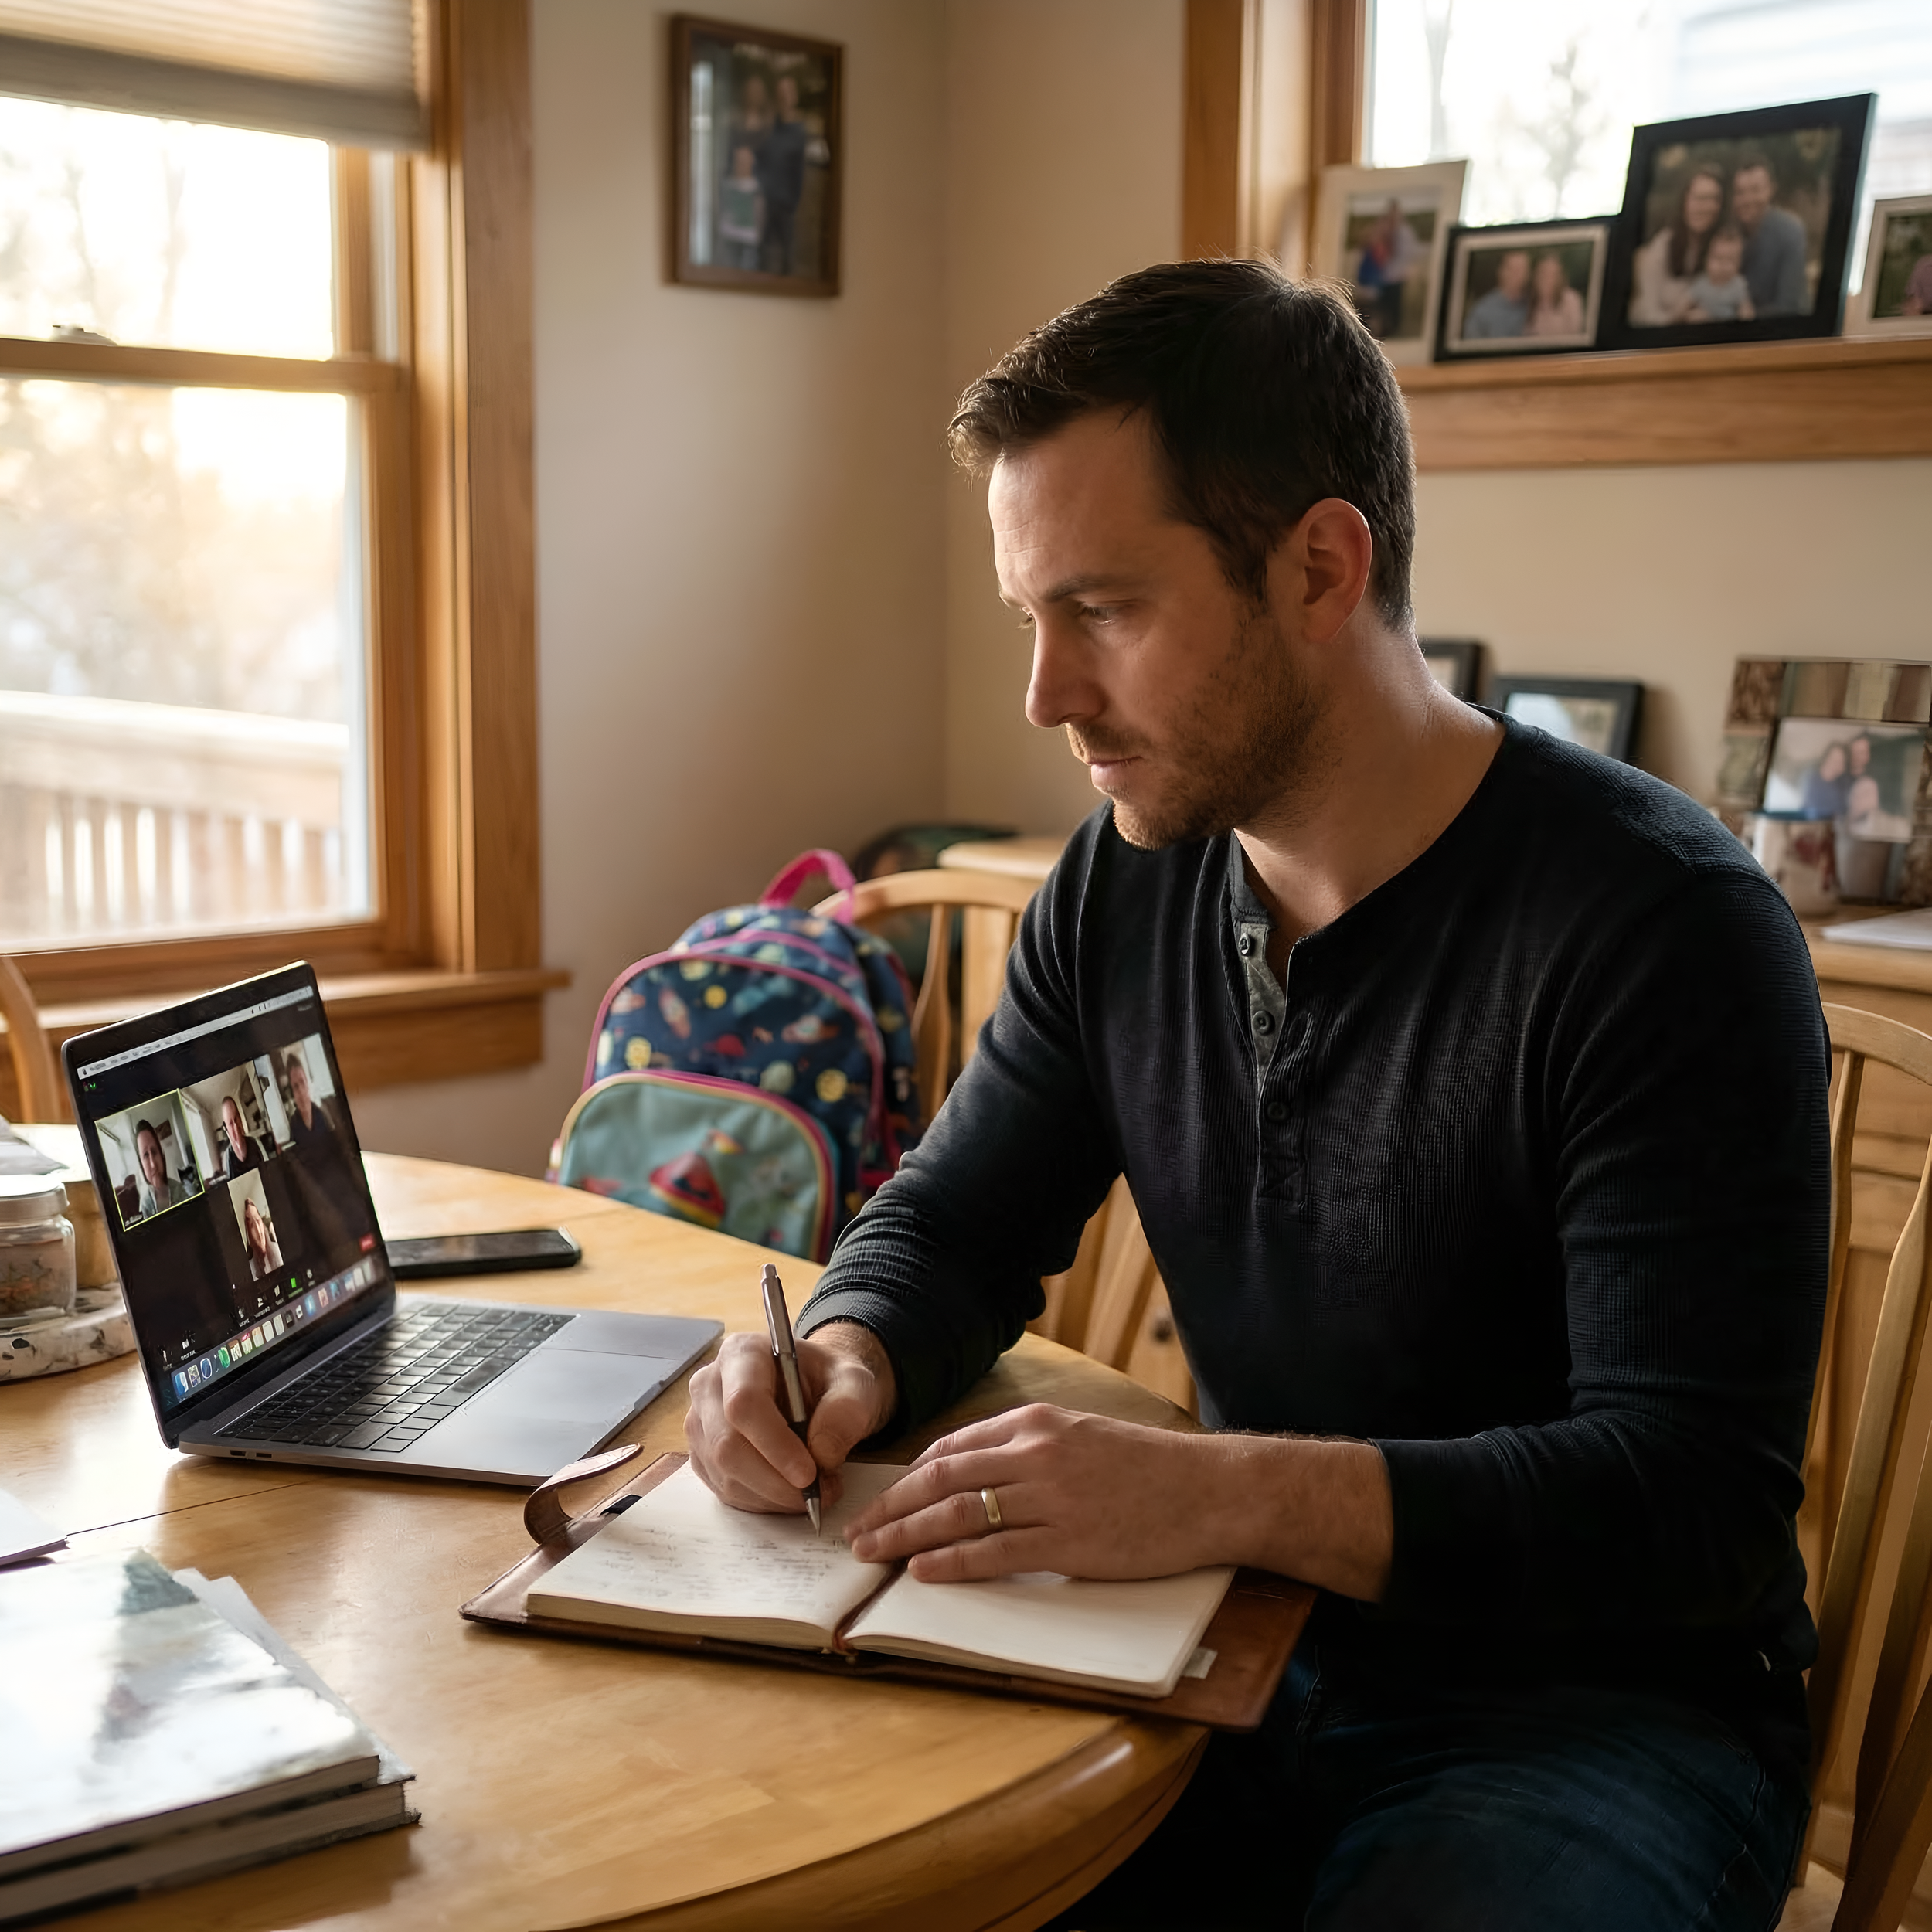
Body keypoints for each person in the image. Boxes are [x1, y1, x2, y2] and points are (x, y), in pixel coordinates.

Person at [683, 260, 1826, 1929]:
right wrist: (839, 1350)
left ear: (1317, 564)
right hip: (1207, 1637)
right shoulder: (1124, 881)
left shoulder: (1660, 928)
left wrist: (1222, 1491)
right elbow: (955, 1218)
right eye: (1030, 614)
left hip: (1589, 1714)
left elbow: (1683, 1506)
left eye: (1105, 609)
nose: (1044, 694)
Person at [1628, 162, 1725, 326]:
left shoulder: (1725, 246)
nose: (1705, 208)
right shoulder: (1663, 245)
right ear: (1685, 201)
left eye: (1712, 199)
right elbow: (1647, 311)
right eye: (1699, 199)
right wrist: (1680, 321)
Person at [1733, 155, 1811, 318]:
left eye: (1755, 190)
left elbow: (1791, 305)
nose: (1747, 200)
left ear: (1771, 190)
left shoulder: (1790, 231)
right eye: (1740, 192)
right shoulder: (1729, 230)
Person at [757, 72, 809, 276]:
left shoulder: (800, 132)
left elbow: (800, 173)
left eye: (788, 93)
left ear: (794, 97)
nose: (784, 98)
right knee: (763, 258)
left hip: (787, 206)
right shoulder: (769, 128)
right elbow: (760, 160)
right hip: (765, 202)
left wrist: (795, 204)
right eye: (780, 94)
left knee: (788, 259)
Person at [1685, 223, 1757, 322]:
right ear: (1707, 260)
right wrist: (1688, 315)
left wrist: (1746, 313)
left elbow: (1746, 307)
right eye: (1718, 258)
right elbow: (1683, 306)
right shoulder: (1701, 283)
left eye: (1731, 260)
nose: (1723, 266)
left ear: (1739, 264)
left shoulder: (1737, 284)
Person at [133, 1119, 201, 1219]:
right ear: (141, 1165)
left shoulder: (179, 1190)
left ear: (161, 1155)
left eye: (155, 1152)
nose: (153, 1165)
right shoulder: (145, 1203)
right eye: (146, 1155)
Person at [1461, 248, 1531, 338]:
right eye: (1513, 269)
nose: (1517, 275)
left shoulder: (1532, 306)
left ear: (1528, 275)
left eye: (1522, 270)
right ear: (1501, 272)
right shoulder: (1481, 311)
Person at [717, 143, 764, 270]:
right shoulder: (727, 184)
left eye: (745, 161)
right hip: (729, 236)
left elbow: (759, 211)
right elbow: (721, 207)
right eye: (739, 161)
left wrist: (759, 234)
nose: (741, 164)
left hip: (748, 238)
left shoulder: (755, 186)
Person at [282, 1046, 340, 1145]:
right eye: (296, 1086)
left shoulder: (323, 1114)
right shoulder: (293, 1125)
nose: (301, 1091)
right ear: (292, 1092)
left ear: (307, 1084)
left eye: (302, 1082)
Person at [1523, 250, 1583, 336]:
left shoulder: (1571, 299)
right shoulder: (1526, 303)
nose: (1547, 279)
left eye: (1553, 275)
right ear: (1535, 275)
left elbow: (1577, 337)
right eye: (1543, 272)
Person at [217, 1093, 268, 1181]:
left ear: (240, 1118)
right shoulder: (228, 1157)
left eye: (236, 1118)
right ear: (226, 1128)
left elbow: (267, 1171)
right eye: (231, 1124)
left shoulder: (255, 1143)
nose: (236, 1127)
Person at [1800, 740, 1850, 819]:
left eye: (1840, 761)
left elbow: (1842, 813)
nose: (1835, 764)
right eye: (1833, 759)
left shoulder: (1842, 786)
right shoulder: (1811, 777)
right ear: (1826, 757)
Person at [242, 1196, 283, 1279]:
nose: (257, 1228)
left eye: (257, 1220)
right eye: (251, 1225)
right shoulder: (249, 1270)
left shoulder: (279, 1248)